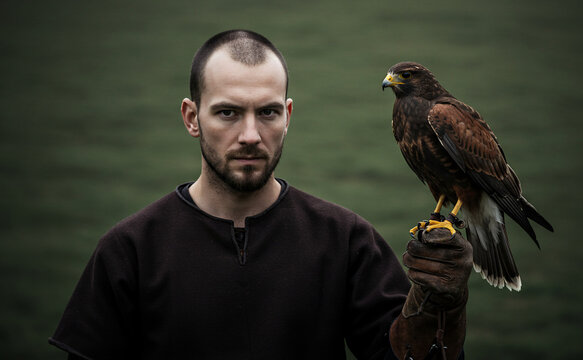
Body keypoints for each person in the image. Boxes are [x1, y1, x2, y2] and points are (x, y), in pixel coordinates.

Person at [49, 30, 473, 360]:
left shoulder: (345, 241)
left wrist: (440, 311)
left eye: (267, 112)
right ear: (191, 118)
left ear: (287, 117)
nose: (250, 135)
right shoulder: (128, 252)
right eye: (228, 112)